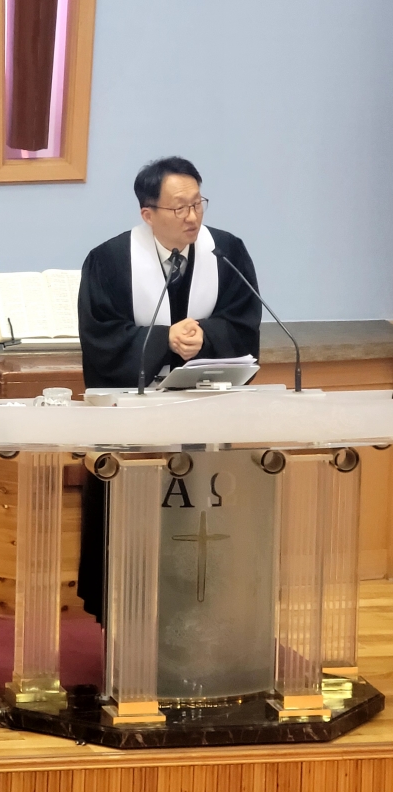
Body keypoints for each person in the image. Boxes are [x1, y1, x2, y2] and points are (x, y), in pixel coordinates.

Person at [76, 156, 261, 619]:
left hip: (206, 418)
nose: (192, 217)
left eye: (198, 203)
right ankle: (124, 621)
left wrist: (206, 336)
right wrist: (163, 340)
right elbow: (100, 337)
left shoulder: (226, 253)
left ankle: (208, 620)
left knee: (204, 530)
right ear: (148, 213)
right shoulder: (109, 261)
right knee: (129, 538)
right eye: (179, 208)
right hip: (134, 426)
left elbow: (244, 321)